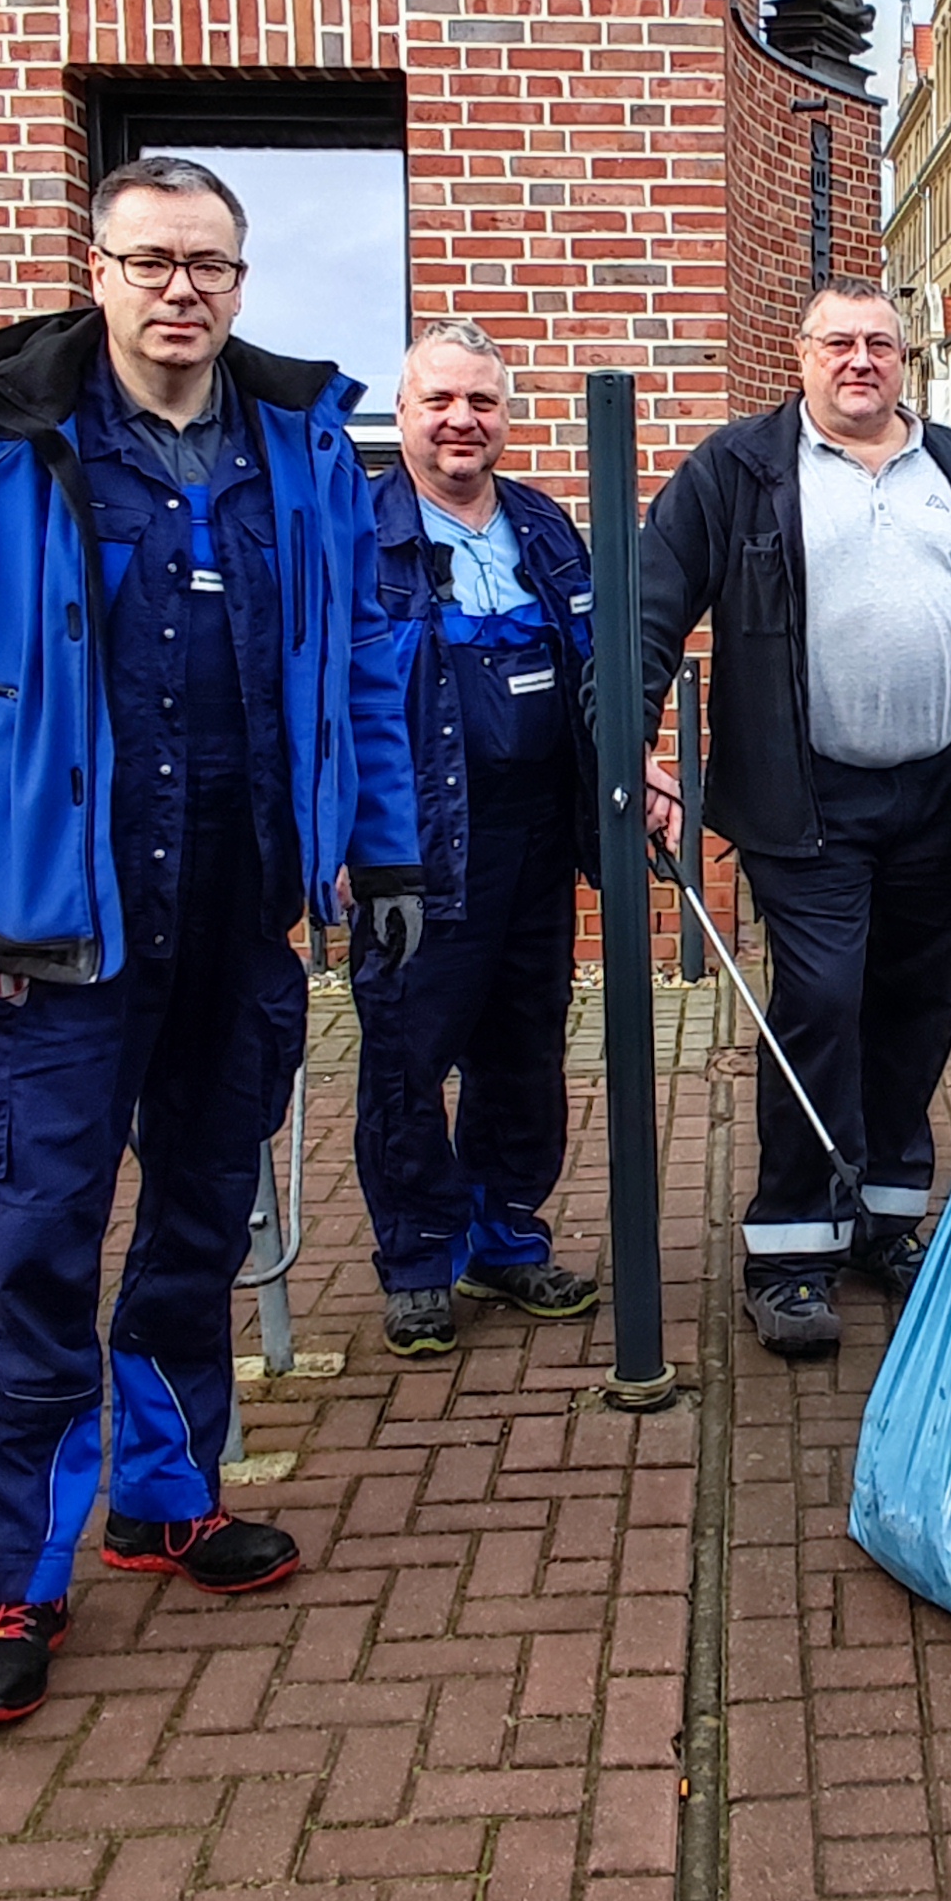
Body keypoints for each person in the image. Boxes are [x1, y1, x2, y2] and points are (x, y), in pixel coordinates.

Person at [0, 155, 423, 1731]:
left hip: (243, 916)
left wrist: (379, 847)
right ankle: (19, 1579)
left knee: (198, 1214)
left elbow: (363, 660)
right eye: (153, 259)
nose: (183, 290)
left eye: (211, 266)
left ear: (242, 284)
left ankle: (165, 1497)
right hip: (64, 931)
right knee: (32, 1246)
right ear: (95, 267)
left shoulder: (305, 445)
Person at [638, 283, 951, 1358]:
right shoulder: (739, 470)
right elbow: (651, 607)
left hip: (939, 797)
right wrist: (638, 742)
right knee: (821, 1001)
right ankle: (791, 1247)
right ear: (799, 356)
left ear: (906, 359)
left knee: (918, 1008)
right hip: (808, 802)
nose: (860, 360)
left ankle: (885, 1217)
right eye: (837, 342)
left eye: (880, 343)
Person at [354, 322, 601, 1359]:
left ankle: (506, 1234)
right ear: (403, 415)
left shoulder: (543, 529)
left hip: (535, 835)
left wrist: (637, 766)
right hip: (417, 840)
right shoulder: (357, 537)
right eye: (439, 402)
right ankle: (419, 1257)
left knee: (524, 1047)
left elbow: (599, 673)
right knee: (411, 1055)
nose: (463, 421)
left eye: (483, 404)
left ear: (506, 416)